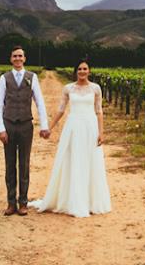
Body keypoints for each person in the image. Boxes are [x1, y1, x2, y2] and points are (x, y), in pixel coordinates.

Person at [29, 59, 111, 217]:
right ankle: (72, 199)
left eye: (85, 69)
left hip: (90, 127)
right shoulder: (68, 88)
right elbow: (60, 110)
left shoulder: (96, 88)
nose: (82, 71)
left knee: (90, 161)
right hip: (73, 127)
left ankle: (90, 201)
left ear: (89, 71)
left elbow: (99, 111)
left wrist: (101, 132)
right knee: (73, 160)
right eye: (79, 69)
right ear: (76, 71)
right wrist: (49, 128)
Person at [0, 45, 50, 216]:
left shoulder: (32, 77)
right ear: (11, 59)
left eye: (20, 56)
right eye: (15, 56)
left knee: (24, 164)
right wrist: (1, 128)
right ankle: (11, 203)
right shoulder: (4, 78)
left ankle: (23, 202)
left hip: (26, 124)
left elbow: (39, 102)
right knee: (10, 164)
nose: (18, 59)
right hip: (9, 124)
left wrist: (44, 125)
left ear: (24, 59)